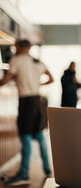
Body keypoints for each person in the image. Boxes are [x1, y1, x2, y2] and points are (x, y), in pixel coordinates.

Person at [0, 39, 54, 186]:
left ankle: (24, 174)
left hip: (26, 103)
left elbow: (5, 80)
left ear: (18, 46)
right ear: (29, 48)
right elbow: (51, 79)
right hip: (38, 101)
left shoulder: (16, 60)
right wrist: (38, 84)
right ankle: (48, 169)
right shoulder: (37, 61)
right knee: (39, 134)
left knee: (25, 137)